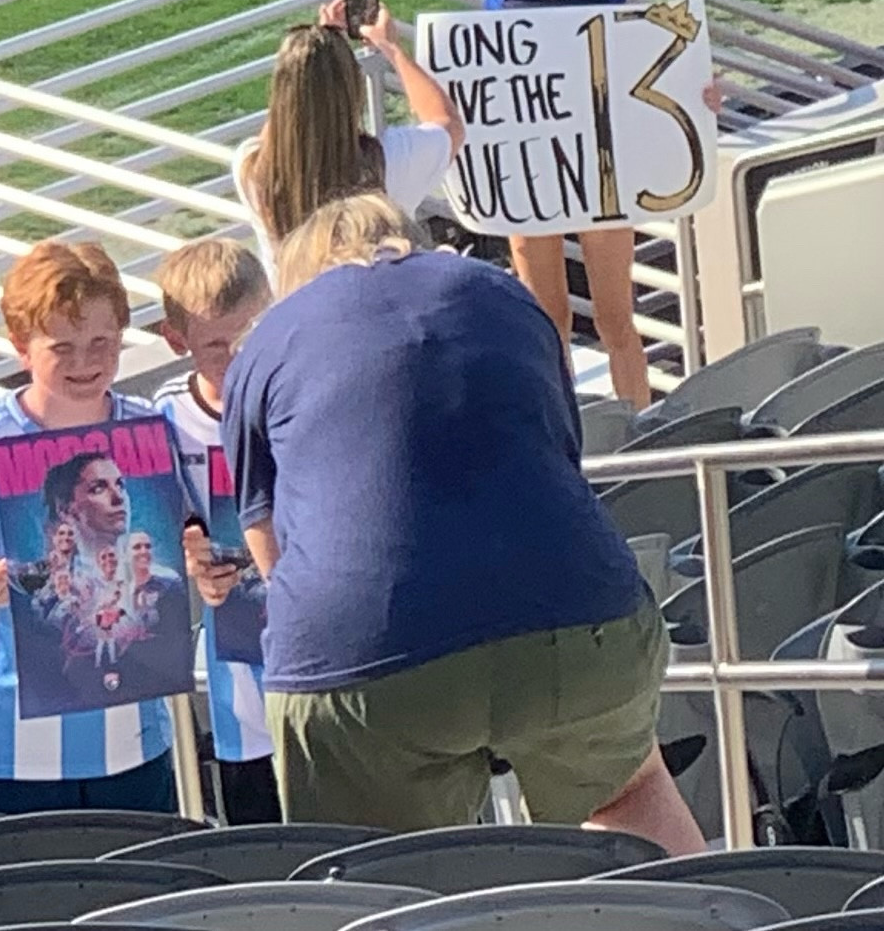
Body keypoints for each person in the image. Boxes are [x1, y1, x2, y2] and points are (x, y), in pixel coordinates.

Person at [222, 193, 705, 853]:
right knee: (629, 792)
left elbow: (271, 544)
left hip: (363, 649)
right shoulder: (500, 291)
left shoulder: (268, 341)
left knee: (378, 870)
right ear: (410, 241)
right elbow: (561, 454)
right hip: (575, 607)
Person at [0, 239, 176, 815]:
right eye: (63, 347)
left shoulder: (151, 431)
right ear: (20, 346)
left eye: (102, 343)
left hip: (131, 726)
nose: (86, 361)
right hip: (20, 734)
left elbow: (183, 532)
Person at [484, 0, 722, 410]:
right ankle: (568, 442)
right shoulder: (498, 2)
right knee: (550, 328)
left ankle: (641, 430)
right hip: (536, 172)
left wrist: (696, 95)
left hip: (601, 169)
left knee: (616, 318)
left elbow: (642, 81)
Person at [154, 237, 281, 825]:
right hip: (235, 644)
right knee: (256, 804)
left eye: (249, 337)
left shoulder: (303, 387)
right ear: (176, 342)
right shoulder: (166, 418)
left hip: (320, 626)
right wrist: (191, 555)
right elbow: (166, 520)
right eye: (216, 347)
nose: (237, 359)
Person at [233, 0, 464, 280]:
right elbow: (448, 124)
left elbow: (284, 122)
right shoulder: (389, 160)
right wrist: (392, 48)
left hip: (293, 314)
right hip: (377, 312)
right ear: (354, 90)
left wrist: (312, 51)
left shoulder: (252, 168)